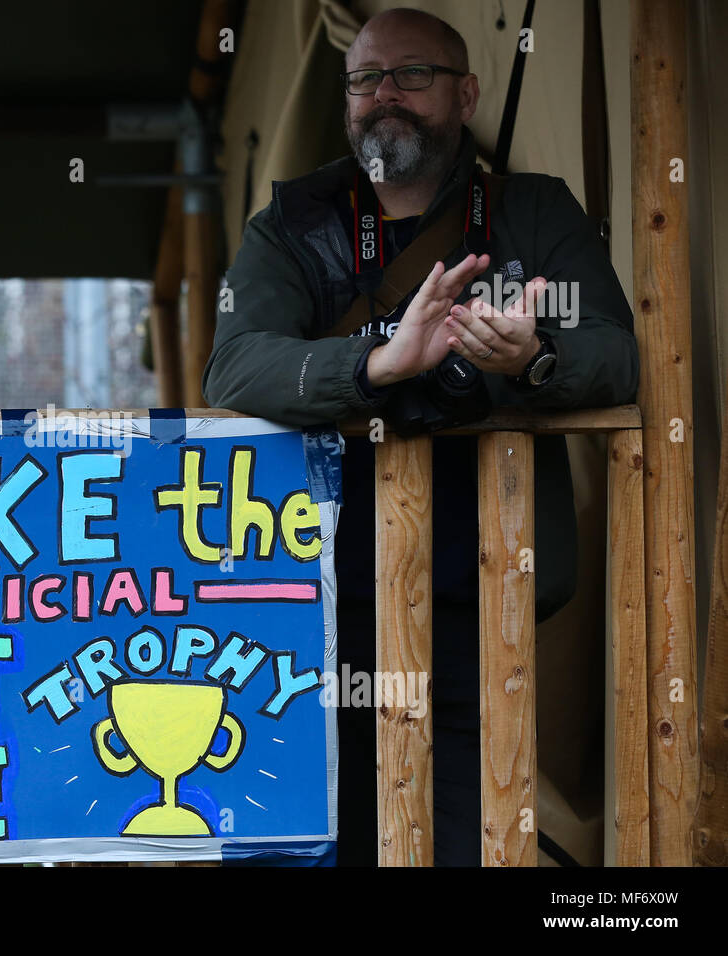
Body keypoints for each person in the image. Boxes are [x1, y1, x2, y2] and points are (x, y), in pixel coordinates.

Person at [202, 7, 639, 865]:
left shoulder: (534, 212)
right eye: (364, 80)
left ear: (467, 94)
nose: (382, 97)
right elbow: (233, 369)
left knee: (475, 836)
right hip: (317, 602)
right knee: (322, 836)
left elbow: (620, 357)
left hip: (490, 599)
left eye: (411, 76)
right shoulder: (292, 222)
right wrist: (374, 363)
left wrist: (535, 355)